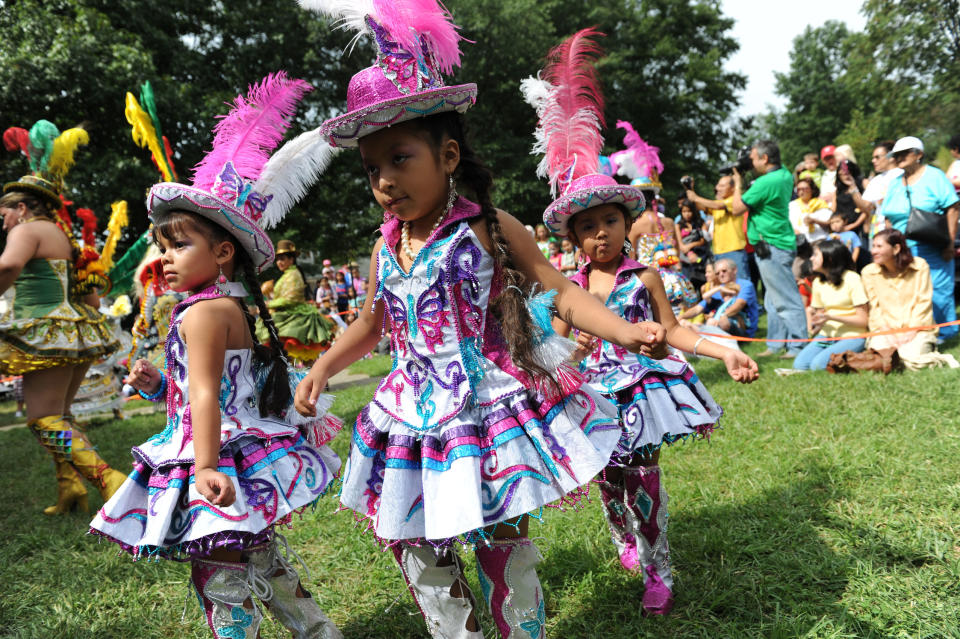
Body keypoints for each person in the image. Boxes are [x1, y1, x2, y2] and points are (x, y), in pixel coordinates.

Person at [294, 17, 665, 638]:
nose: (384, 180)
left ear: (448, 155)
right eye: (371, 167)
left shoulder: (487, 227)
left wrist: (622, 331)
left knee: (501, 540)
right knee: (415, 545)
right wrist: (323, 365)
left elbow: (561, 291)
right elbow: (368, 323)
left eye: (400, 158)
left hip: (484, 406)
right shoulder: (387, 247)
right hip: (409, 414)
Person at [90, 72, 344, 639]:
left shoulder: (203, 313)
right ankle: (319, 632)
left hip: (215, 455)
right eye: (163, 246)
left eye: (180, 245)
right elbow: (217, 387)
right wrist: (159, 386)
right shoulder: (226, 306)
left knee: (219, 573)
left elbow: (207, 394)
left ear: (223, 252)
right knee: (258, 558)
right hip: (237, 442)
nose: (165, 258)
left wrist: (204, 466)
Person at [0, 129, 125, 516]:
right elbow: (90, 295)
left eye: (3, 214)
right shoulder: (63, 236)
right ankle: (70, 488)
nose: (2, 223)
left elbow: (8, 265)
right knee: (61, 414)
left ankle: (112, 482)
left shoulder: (26, 230)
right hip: (75, 331)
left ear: (21, 208)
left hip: (44, 330)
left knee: (42, 417)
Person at [732, 140, 809, 357]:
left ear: (765, 159)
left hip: (772, 244)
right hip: (777, 243)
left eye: (754, 158)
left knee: (786, 298)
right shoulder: (784, 174)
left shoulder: (766, 182)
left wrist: (738, 182)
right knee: (772, 298)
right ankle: (776, 344)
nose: (751, 162)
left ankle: (798, 345)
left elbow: (737, 207)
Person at [878, 136, 959, 340]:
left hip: (932, 245)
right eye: (896, 155)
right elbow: (888, 216)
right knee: (910, 293)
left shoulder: (935, 176)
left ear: (918, 154)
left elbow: (953, 207)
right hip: (902, 248)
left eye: (904, 154)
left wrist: (950, 241)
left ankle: (946, 333)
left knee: (938, 289)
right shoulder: (895, 183)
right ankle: (917, 332)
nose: (899, 158)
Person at [861, 229, 958, 369]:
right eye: (873, 246)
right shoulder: (869, 272)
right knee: (882, 358)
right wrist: (889, 333)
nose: (873, 251)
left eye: (879, 246)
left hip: (918, 328)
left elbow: (923, 302)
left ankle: (937, 358)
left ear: (896, 248)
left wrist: (911, 331)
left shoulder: (920, 266)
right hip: (885, 330)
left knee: (909, 358)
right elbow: (874, 308)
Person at [791, 239, 868, 371]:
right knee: (799, 365)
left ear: (830, 258)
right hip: (826, 335)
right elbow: (822, 315)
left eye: (815, 255)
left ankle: (857, 356)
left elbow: (863, 321)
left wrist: (832, 317)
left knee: (817, 366)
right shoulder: (818, 283)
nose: (811, 258)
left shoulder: (852, 279)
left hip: (853, 335)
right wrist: (816, 325)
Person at [256, 239, 336, 364]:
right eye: (278, 259)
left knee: (304, 358)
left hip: (296, 317)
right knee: (290, 356)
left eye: (282, 259)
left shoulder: (293, 274)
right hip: (287, 315)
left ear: (291, 259)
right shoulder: (287, 274)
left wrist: (268, 305)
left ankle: (317, 381)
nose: (279, 262)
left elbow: (290, 299)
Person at [683, 174, 749, 278]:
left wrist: (696, 198)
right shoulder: (718, 203)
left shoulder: (735, 200)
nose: (717, 188)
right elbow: (700, 206)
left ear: (732, 188)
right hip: (718, 252)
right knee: (724, 288)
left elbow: (716, 205)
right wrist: (689, 188)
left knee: (739, 285)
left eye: (722, 186)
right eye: (718, 185)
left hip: (734, 251)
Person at [678, 258, 759, 338]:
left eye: (724, 271)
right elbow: (697, 309)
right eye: (717, 273)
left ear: (734, 270)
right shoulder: (718, 289)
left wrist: (721, 317)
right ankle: (701, 334)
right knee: (683, 323)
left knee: (722, 321)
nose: (721, 274)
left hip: (741, 328)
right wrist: (680, 317)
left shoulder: (745, 285)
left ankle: (702, 334)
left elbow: (739, 305)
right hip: (716, 325)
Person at [860, 140, 903, 239]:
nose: (873, 161)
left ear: (891, 157)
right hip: (880, 231)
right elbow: (865, 206)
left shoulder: (903, 174)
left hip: (901, 228)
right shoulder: (876, 180)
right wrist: (853, 188)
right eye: (873, 158)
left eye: (877, 157)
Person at [675, 198, 711, 291]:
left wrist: (690, 245)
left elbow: (704, 240)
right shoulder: (678, 225)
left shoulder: (700, 223)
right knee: (689, 287)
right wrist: (689, 253)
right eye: (684, 211)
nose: (687, 214)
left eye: (689, 211)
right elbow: (681, 246)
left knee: (704, 285)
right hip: (686, 261)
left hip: (701, 258)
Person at [789, 177, 831, 244]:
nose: (801, 192)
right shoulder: (792, 205)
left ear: (812, 190)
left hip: (820, 240)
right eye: (798, 189)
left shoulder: (821, 204)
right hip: (800, 242)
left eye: (804, 189)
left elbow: (830, 224)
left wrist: (815, 221)